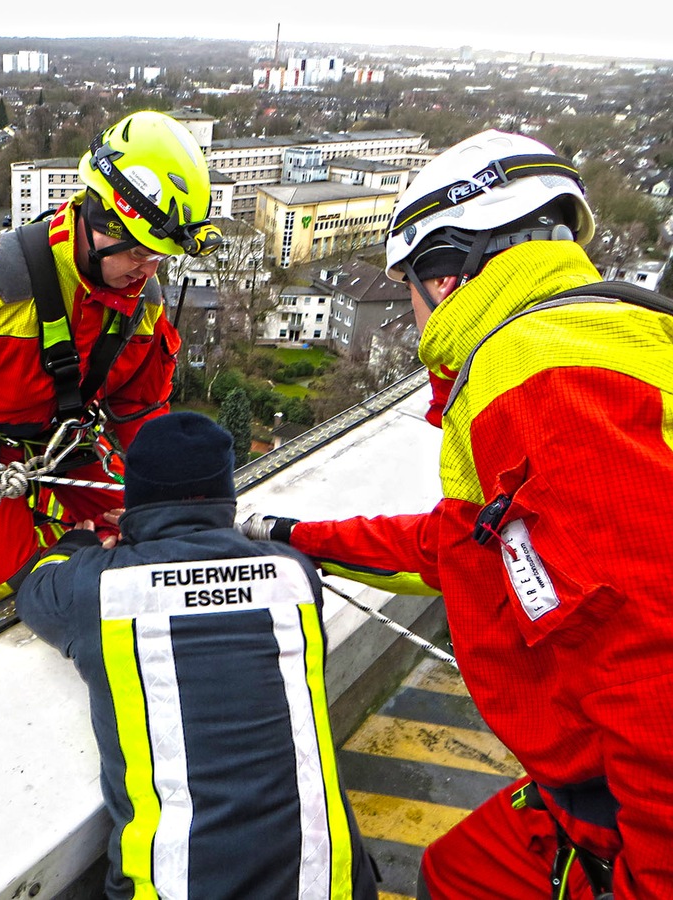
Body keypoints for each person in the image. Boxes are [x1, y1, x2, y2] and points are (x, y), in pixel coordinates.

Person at [243, 130, 673, 899]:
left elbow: (653, 667)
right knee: (457, 868)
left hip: (632, 814)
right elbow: (466, 548)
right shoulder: (621, 333)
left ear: (444, 275)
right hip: (595, 786)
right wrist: (293, 536)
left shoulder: (542, 378)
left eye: (409, 281)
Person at [17, 412, 379, 900]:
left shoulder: (96, 587)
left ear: (136, 496)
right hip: (333, 882)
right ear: (226, 495)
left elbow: (37, 585)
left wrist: (80, 542)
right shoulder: (293, 574)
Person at [0, 110, 221, 599]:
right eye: (139, 252)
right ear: (102, 220)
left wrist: (159, 490)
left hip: (67, 442)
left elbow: (141, 407)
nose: (145, 270)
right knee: (14, 584)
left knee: (147, 533)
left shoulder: (143, 303)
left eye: (158, 257)